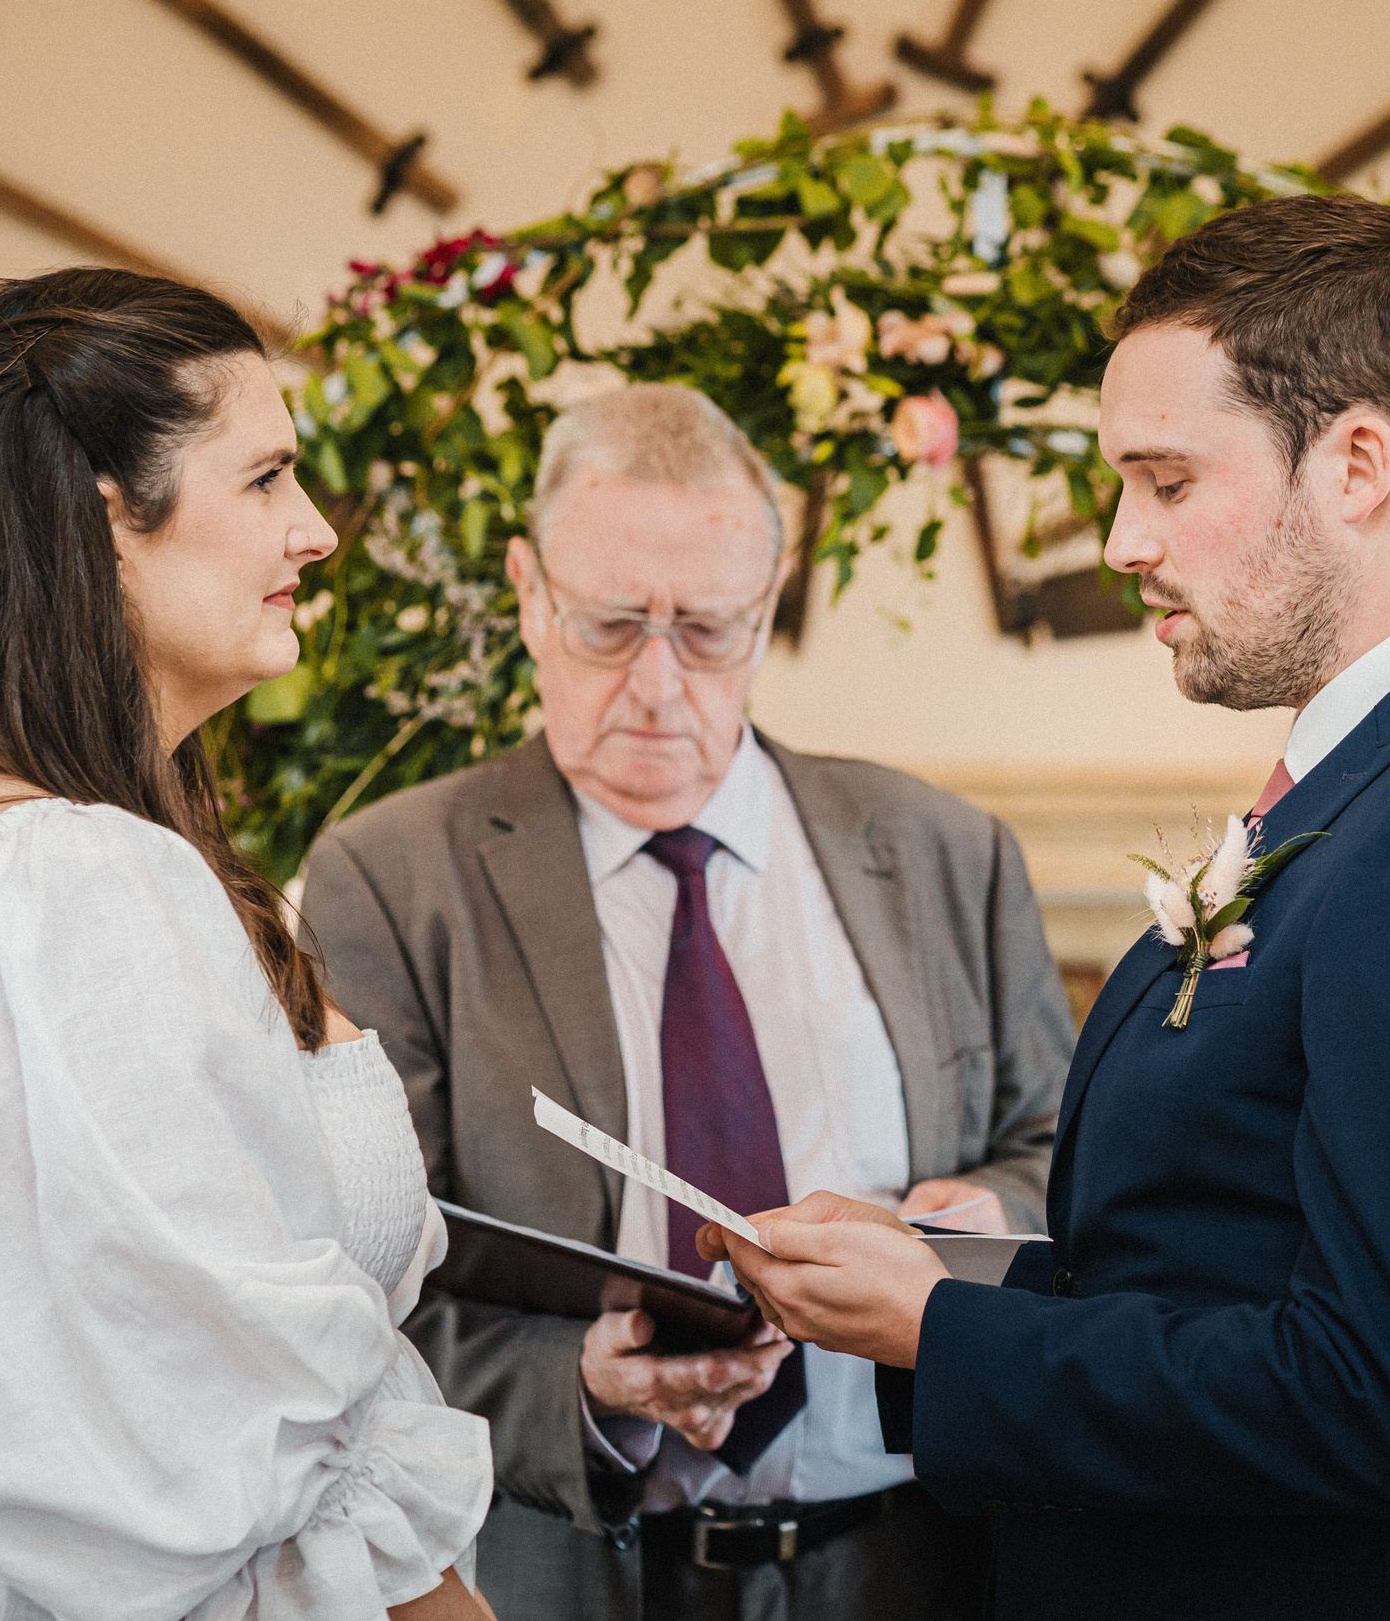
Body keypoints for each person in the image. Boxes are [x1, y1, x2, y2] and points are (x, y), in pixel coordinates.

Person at [711, 195, 1390, 1619]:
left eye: (1166, 483)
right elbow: (1239, 1248)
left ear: (1359, 462)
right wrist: (953, 1277)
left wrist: (940, 1330)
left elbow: (1378, 1399)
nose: (1122, 542)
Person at [0, 268, 495, 1621]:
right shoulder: (68, 875)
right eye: (267, 480)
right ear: (110, 512)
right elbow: (234, 1432)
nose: (316, 534)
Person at [298, 384, 1075, 1621]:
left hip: (913, 1559)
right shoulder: (393, 878)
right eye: (611, 626)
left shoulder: (941, 850)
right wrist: (580, 1384)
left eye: (707, 631)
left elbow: (1062, 1159)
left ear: (766, 612)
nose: (658, 686)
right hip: (570, 1569)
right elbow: (344, 1289)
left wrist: (975, 1217)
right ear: (528, 593)